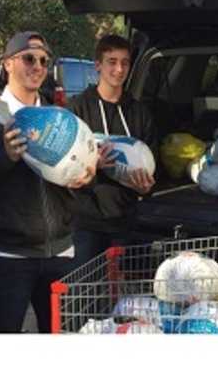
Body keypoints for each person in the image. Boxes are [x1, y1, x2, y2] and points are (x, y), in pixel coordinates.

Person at [0, 31, 95, 333]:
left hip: (61, 254)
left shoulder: (59, 115)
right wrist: (3, 158)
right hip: (5, 257)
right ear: (7, 64)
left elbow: (72, 177)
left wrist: (86, 176)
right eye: (29, 58)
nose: (38, 66)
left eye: (44, 60)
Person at [67, 34, 158, 265]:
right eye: (112, 61)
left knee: (124, 297)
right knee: (85, 296)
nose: (119, 69)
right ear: (98, 65)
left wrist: (146, 187)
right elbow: (64, 166)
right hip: (86, 225)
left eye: (125, 62)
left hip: (127, 223)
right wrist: (91, 165)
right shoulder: (77, 109)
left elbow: (153, 173)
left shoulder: (140, 113)